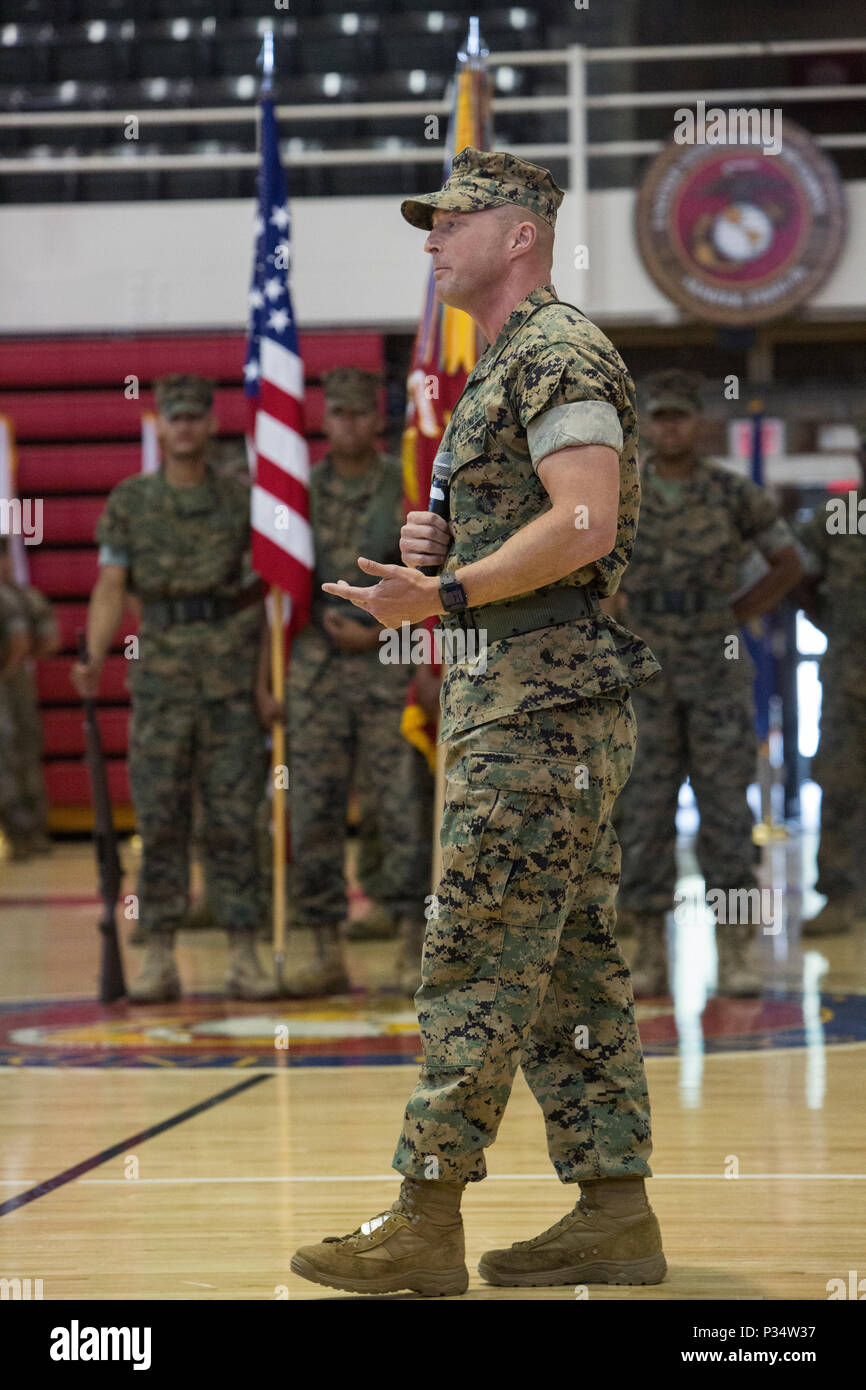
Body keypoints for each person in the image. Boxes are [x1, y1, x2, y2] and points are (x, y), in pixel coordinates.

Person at [291, 147, 666, 1296]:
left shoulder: (554, 349)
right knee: (567, 967)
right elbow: (531, 521)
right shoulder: (499, 365)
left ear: (518, 233)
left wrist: (445, 596)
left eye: (450, 221)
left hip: (539, 704)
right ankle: (612, 1211)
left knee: (475, 948)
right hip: (524, 693)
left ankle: (425, 1214)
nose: (430, 240)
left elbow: (586, 520)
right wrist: (440, 548)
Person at [72, 374, 280, 1003]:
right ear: (160, 426)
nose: (185, 427)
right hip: (161, 679)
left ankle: (245, 951)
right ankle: (157, 953)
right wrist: (92, 656)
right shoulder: (131, 500)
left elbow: (269, 594)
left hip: (229, 680)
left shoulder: (240, 499)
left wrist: (265, 680)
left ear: (211, 425)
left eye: (195, 418)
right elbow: (111, 584)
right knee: (161, 818)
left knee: (235, 817)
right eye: (175, 418)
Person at [608, 371, 802, 996]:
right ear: (646, 425)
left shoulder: (730, 492)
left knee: (725, 809)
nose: (670, 428)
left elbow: (790, 561)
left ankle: (736, 950)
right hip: (646, 670)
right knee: (643, 811)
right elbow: (586, 564)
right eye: (659, 418)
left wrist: (738, 613)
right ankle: (647, 950)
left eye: (680, 417)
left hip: (716, 669)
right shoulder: (620, 493)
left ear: (698, 422)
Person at [283, 367, 431, 997]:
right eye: (336, 413)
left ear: (377, 420)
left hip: (385, 669)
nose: (347, 423)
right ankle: (321, 946)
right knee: (313, 807)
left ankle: (407, 939)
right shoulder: (295, 492)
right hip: (314, 673)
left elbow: (431, 579)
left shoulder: (402, 490)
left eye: (359, 413)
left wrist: (380, 635)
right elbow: (270, 583)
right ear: (324, 420)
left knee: (397, 806)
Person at [795, 417, 866, 936]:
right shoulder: (839, 515)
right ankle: (840, 896)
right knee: (841, 784)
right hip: (850, 676)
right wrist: (833, 624)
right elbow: (796, 573)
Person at [0, 538, 58, 857]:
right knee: (14, 756)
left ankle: (29, 832)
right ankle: (25, 833)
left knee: (18, 754)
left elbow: (38, 641)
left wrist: (10, 667)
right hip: (16, 680)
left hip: (13, 683)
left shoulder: (21, 598)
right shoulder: (24, 597)